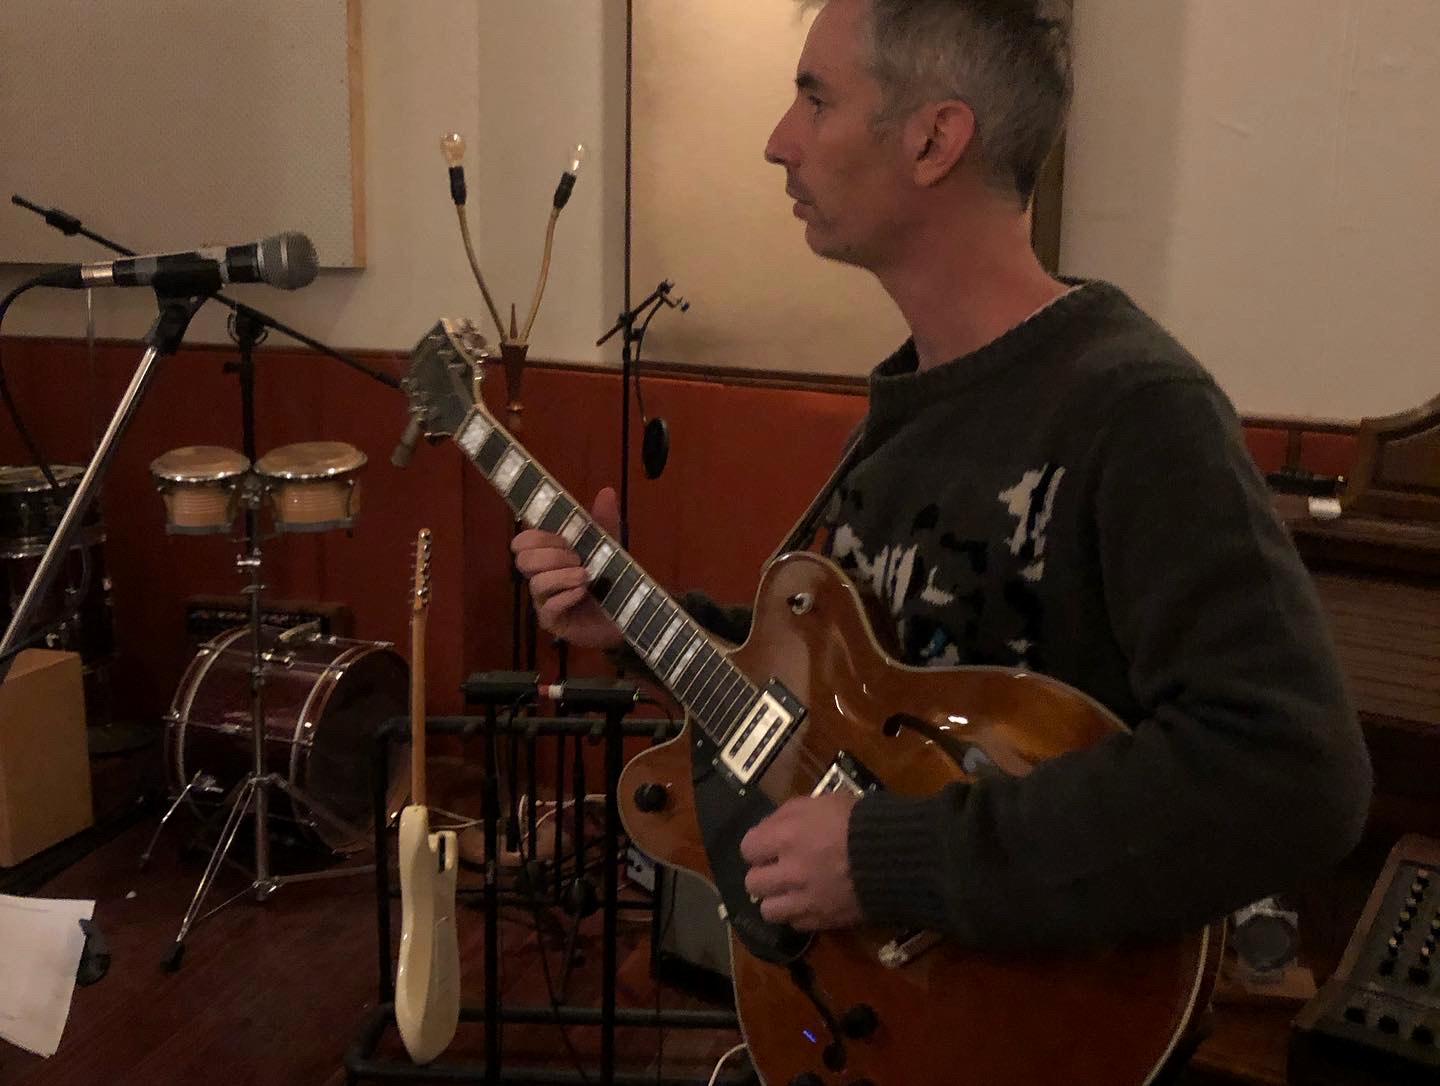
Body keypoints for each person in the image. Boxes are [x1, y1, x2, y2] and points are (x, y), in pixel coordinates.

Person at [511, 0, 1371, 950]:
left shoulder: (1135, 408)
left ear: (933, 141)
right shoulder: (911, 408)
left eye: (816, 100)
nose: (778, 142)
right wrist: (632, 621)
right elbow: (860, 700)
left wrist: (887, 860)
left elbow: (1293, 771)